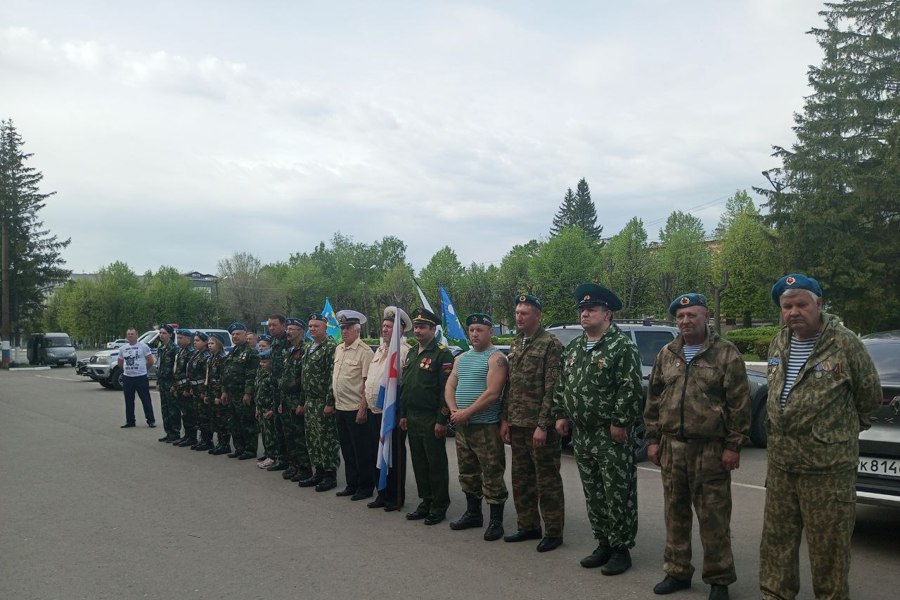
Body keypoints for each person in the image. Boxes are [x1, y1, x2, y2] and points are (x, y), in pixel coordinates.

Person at [759, 274, 881, 600]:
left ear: (819, 304)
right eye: (787, 306)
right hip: (782, 467)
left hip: (828, 470)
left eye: (801, 304)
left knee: (829, 550)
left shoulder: (844, 343)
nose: (793, 311)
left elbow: (869, 397)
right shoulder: (779, 341)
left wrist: (836, 432)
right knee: (776, 544)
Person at [644, 293, 750, 600]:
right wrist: (653, 440)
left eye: (692, 315)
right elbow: (653, 399)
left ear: (706, 317)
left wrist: (733, 445)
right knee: (675, 514)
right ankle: (677, 572)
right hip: (673, 447)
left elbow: (739, 404)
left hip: (711, 450)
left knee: (714, 518)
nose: (685, 321)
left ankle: (719, 580)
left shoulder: (725, 354)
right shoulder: (668, 353)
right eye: (680, 316)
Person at [553, 283, 643, 575]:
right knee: (593, 492)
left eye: (591, 309)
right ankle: (603, 542)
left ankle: (621, 549)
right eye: (582, 309)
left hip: (609, 433)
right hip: (583, 434)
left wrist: (620, 421)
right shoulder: (576, 347)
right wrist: (562, 414)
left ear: (608, 314)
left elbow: (629, 388)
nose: (585, 313)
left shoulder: (621, 346)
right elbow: (563, 384)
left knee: (618, 492)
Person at [502, 293, 565, 552]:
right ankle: (527, 525)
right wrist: (505, 419)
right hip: (518, 424)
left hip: (540, 427)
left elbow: (553, 388)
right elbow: (511, 385)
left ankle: (553, 531)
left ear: (537, 316)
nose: (519, 317)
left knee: (546, 480)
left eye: (524, 313)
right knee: (521, 479)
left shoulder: (550, 344)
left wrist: (543, 425)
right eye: (517, 312)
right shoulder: (517, 342)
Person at [446, 313, 509, 541]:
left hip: (486, 427)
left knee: (492, 472)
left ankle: (496, 522)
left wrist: (466, 413)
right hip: (464, 427)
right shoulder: (461, 358)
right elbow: (450, 385)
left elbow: (493, 393)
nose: (474, 334)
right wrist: (454, 410)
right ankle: (473, 513)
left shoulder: (496, 358)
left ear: (490, 332)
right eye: (471, 329)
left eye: (479, 330)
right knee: (468, 472)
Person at [401, 307, 455, 526]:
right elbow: (406, 387)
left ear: (433, 329)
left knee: (436, 464)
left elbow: (446, 390)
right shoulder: (413, 352)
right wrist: (403, 414)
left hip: (431, 417)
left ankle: (439, 505)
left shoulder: (442, 353)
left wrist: (442, 420)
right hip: (412, 417)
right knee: (419, 462)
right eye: (416, 327)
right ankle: (426, 501)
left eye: (423, 327)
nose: (418, 331)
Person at [365, 306, 413, 511]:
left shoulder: (404, 352)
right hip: (375, 410)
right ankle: (382, 493)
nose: (385, 330)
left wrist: (401, 413)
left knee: (393, 456)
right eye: (384, 326)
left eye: (390, 327)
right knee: (377, 454)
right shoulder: (379, 349)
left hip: (392, 413)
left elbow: (404, 385)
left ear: (401, 330)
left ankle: (395, 496)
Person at [331, 310, 376, 500]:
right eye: (342, 328)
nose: (344, 331)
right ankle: (352, 484)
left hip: (355, 409)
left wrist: (363, 408)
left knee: (361, 451)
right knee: (347, 449)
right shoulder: (339, 348)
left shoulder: (365, 352)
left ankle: (365, 487)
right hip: (340, 407)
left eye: (348, 328)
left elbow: (367, 382)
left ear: (357, 330)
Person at [297, 313, 340, 491]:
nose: (312, 329)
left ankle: (330, 475)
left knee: (326, 439)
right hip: (311, 401)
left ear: (325, 327)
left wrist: (329, 402)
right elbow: (304, 376)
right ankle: (319, 472)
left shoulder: (330, 347)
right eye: (310, 326)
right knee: (313, 438)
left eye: (316, 326)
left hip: (323, 401)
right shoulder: (309, 347)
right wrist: (303, 400)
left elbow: (332, 377)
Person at [278, 317, 313, 483]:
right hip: (286, 399)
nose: (288, 332)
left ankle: (305, 468)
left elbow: (305, 378)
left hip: (298, 399)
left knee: (299, 436)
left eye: (292, 329)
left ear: (301, 331)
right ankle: (294, 465)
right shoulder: (290, 350)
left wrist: (301, 402)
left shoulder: (306, 349)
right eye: (288, 329)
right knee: (289, 435)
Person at [222, 322, 260, 460]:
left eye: (238, 334)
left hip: (243, 393)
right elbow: (226, 373)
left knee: (247, 422)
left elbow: (251, 374)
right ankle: (239, 448)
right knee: (234, 422)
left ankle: (250, 449)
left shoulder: (251, 352)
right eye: (233, 334)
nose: (235, 336)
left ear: (245, 334)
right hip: (232, 393)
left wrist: (248, 393)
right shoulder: (233, 352)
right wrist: (224, 391)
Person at [117, 327, 156, 429]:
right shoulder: (123, 348)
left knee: (145, 399)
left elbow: (150, 361)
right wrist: (127, 369)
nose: (130, 336)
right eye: (129, 334)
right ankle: (130, 421)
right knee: (128, 400)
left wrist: (143, 369)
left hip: (141, 377)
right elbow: (120, 362)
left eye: (132, 334)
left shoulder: (143, 346)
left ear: (137, 335)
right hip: (128, 378)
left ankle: (151, 420)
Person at [265, 314, 290, 472]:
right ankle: (282, 459)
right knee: (278, 427)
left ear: (283, 325)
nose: (271, 328)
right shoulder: (273, 342)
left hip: (287, 392)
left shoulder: (288, 342)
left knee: (288, 429)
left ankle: (292, 462)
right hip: (276, 391)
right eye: (269, 325)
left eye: (274, 325)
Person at [205, 332, 231, 455]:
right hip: (211, 391)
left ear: (219, 344)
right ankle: (220, 443)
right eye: (209, 343)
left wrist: (219, 395)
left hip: (219, 393)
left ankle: (225, 444)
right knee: (215, 418)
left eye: (212, 343)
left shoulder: (223, 358)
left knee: (222, 419)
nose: (210, 345)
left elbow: (224, 379)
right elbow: (208, 378)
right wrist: (207, 394)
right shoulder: (211, 358)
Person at [156, 324, 181, 442]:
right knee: (165, 409)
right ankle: (169, 432)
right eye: (160, 333)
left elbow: (177, 369)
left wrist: (175, 385)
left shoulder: (175, 349)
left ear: (170, 335)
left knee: (173, 409)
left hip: (171, 383)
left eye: (164, 333)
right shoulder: (161, 348)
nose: (161, 335)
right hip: (163, 382)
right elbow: (159, 366)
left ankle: (175, 433)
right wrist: (158, 382)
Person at [172, 329, 198, 447]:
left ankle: (192, 437)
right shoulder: (181, 351)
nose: (178, 340)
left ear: (188, 338)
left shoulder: (191, 352)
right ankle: (187, 436)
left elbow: (190, 373)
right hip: (180, 386)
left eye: (181, 338)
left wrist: (188, 389)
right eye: (178, 338)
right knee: (184, 413)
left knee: (189, 413)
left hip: (186, 387)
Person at [187, 332, 213, 451]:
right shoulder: (197, 354)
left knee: (204, 416)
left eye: (197, 340)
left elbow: (206, 376)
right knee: (198, 415)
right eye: (194, 340)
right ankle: (202, 439)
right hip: (195, 388)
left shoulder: (206, 355)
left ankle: (207, 440)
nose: (195, 342)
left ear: (205, 342)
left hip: (202, 388)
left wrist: (204, 391)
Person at [254, 349, 278, 469]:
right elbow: (258, 392)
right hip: (262, 408)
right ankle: (268, 454)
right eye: (261, 362)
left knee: (271, 435)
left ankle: (272, 457)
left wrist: (272, 410)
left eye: (265, 362)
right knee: (264, 433)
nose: (262, 364)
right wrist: (258, 407)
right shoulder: (261, 374)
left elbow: (275, 395)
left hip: (269, 409)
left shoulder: (273, 376)